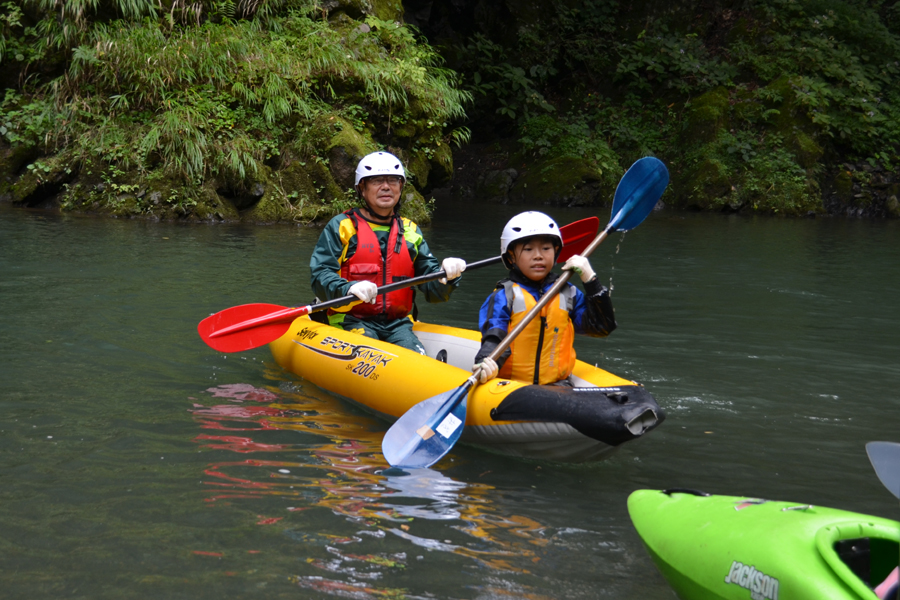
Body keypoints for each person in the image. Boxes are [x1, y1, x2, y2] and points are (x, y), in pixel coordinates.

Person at [309, 151, 466, 354]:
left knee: (417, 358)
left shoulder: (411, 231)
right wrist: (348, 288)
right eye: (376, 181)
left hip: (398, 324)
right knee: (370, 352)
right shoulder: (343, 227)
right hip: (349, 320)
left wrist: (447, 277)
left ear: (401, 187)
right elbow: (320, 275)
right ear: (362, 189)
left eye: (393, 180)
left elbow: (433, 292)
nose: (386, 187)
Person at [472, 211, 617, 385]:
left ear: (556, 252)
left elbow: (601, 327)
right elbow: (494, 336)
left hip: (558, 386)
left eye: (546, 248)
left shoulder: (567, 292)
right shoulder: (505, 295)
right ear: (511, 256)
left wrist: (590, 279)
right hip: (511, 388)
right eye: (528, 249)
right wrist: (486, 361)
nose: (538, 255)